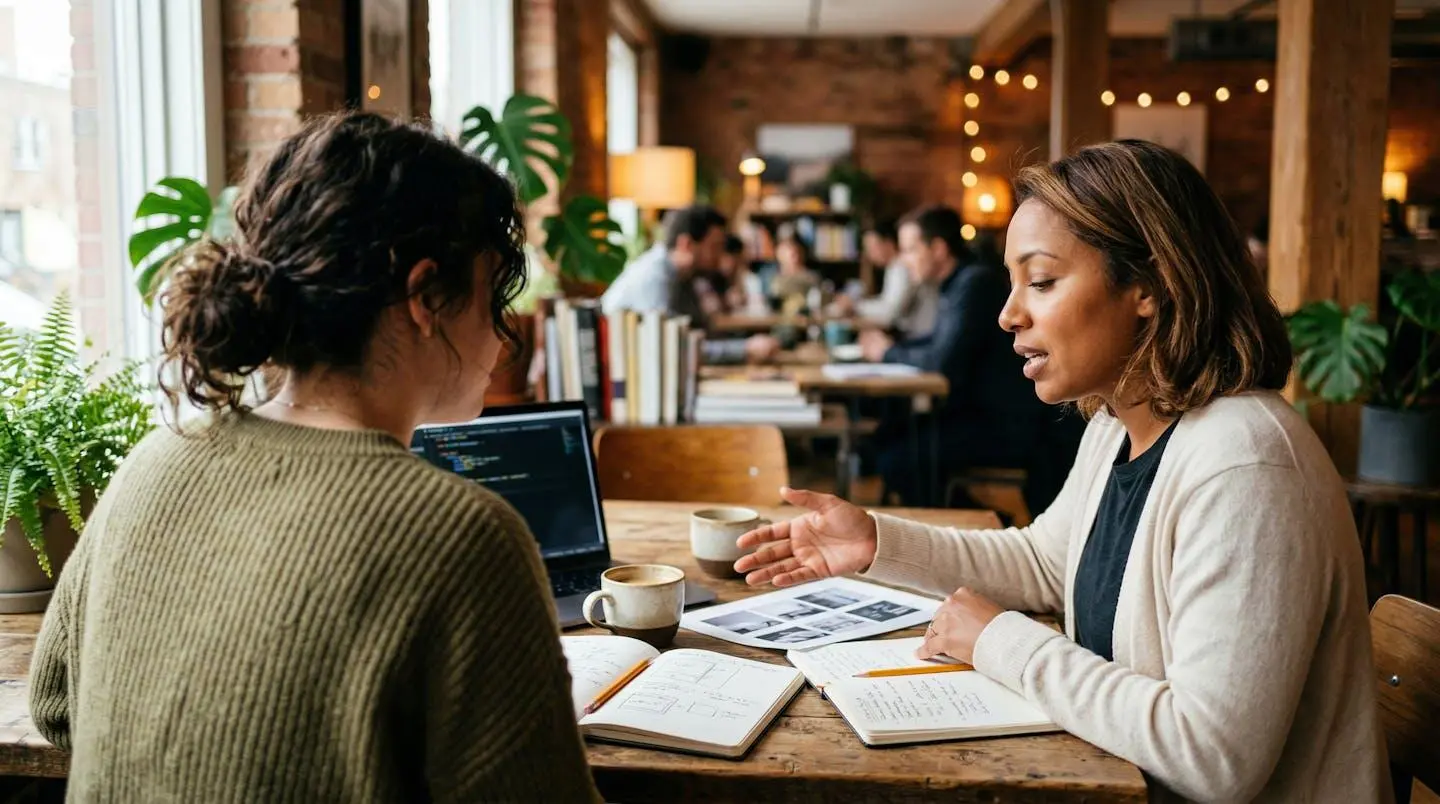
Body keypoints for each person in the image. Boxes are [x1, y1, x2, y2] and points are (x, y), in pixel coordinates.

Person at [734, 140, 1389, 803]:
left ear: (1150, 285)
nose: (1008, 314)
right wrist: (877, 543)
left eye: (1042, 281)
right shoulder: (1118, 424)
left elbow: (1213, 757)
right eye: (1013, 282)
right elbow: (1046, 563)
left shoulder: (1245, 464)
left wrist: (999, 641)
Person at [28, 112, 601, 801]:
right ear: (425, 297)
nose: (503, 335)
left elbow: (55, 706)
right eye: (493, 296)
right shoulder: (462, 534)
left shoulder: (155, 460)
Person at [859, 205, 1053, 505]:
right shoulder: (958, 283)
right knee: (885, 437)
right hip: (976, 413)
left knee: (897, 461)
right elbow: (937, 342)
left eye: (910, 250)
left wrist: (887, 351)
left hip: (1003, 424)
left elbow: (942, 361)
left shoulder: (975, 283)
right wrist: (891, 349)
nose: (904, 260)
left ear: (938, 249)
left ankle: (980, 524)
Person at [601, 205, 778, 363]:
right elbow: (673, 349)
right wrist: (744, 349)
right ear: (686, 244)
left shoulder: (683, 277)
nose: (720, 257)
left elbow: (699, 333)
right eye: (714, 247)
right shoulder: (655, 278)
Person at [833, 220, 937, 337]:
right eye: (867, 249)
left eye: (873, 248)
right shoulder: (893, 267)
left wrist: (855, 306)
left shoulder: (900, 267)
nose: (870, 254)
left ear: (888, 244)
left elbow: (890, 312)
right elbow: (886, 302)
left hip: (912, 335)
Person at [766, 235, 821, 310]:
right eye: (790, 253)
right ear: (779, 254)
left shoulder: (811, 277)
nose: (795, 257)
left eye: (797, 252)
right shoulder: (770, 276)